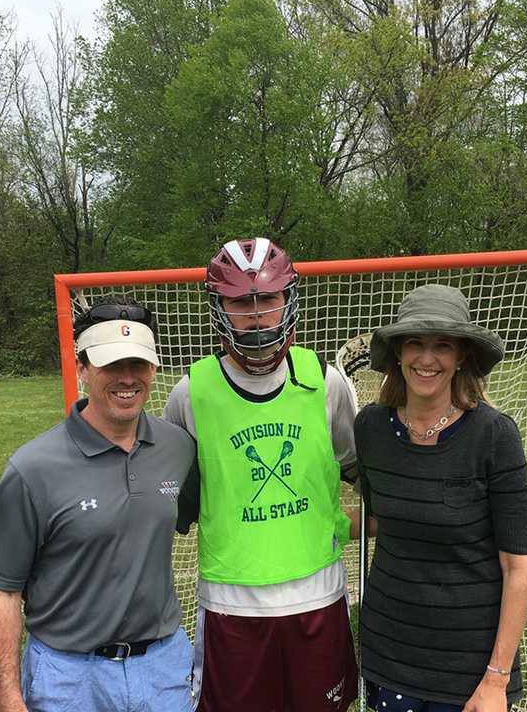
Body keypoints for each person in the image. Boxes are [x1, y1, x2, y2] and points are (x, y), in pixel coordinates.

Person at [0, 299, 197, 712]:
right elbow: (0, 591)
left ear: (154, 369)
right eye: (111, 365)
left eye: (138, 364)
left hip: (162, 668)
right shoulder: (33, 467)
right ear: (83, 368)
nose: (127, 378)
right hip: (69, 675)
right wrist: (9, 696)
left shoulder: (178, 448)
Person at [164, 237, 360, 712]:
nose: (255, 314)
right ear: (219, 307)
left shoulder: (326, 382)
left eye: (267, 299)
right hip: (232, 607)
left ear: (287, 300)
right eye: (240, 301)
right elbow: (173, 504)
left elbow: (363, 474)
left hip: (318, 598)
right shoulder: (191, 392)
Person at [354, 284, 527, 712]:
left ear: (461, 358)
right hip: (388, 654)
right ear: (398, 353)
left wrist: (496, 680)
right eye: (414, 343)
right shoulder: (371, 429)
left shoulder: (494, 436)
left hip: (469, 671)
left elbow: (518, 566)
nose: (426, 358)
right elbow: (386, 514)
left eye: (442, 345)